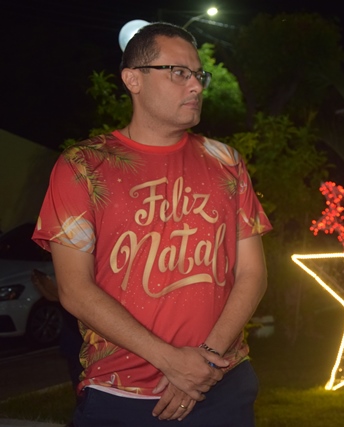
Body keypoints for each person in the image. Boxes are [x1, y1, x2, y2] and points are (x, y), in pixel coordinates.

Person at [32, 22, 272, 427]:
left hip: (222, 383)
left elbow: (253, 274)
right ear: (133, 79)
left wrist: (205, 360)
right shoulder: (83, 165)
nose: (195, 86)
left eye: (198, 75)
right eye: (178, 73)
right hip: (120, 393)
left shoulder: (226, 162)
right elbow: (74, 289)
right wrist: (172, 362)